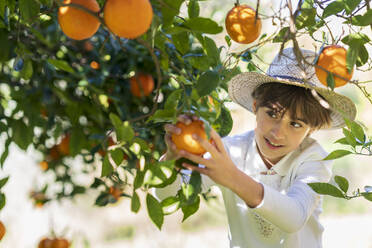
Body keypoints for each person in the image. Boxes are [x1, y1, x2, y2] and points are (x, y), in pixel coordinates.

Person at [156, 47, 356, 248]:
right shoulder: (232, 152)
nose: (278, 132)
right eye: (272, 114)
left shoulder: (313, 159)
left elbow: (295, 217)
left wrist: (232, 177)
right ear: (255, 106)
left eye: (296, 124)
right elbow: (172, 197)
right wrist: (172, 159)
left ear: (311, 129)